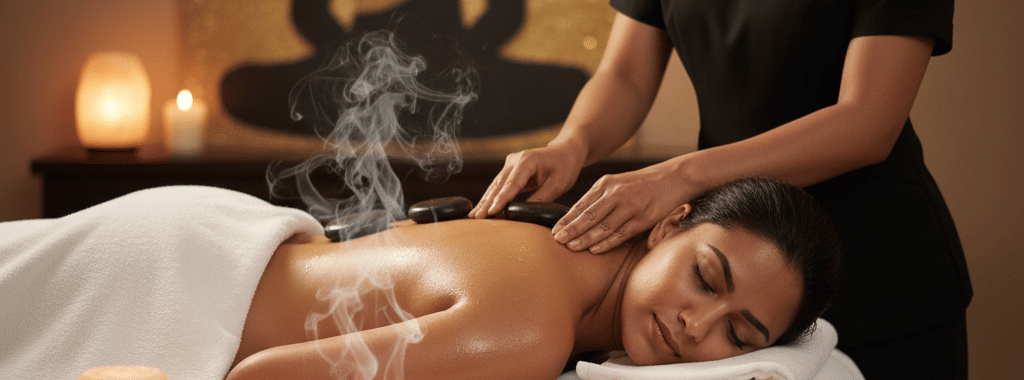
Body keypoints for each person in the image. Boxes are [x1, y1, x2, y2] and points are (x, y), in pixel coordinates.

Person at [469, 1, 972, 379]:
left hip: (880, 275)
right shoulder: (692, 312)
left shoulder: (689, 193)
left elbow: (867, 123)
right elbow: (623, 73)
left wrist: (682, 176)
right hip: (724, 250)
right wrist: (571, 145)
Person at [226, 177, 840, 379]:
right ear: (666, 227)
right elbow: (257, 378)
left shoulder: (555, 252)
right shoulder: (535, 328)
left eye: (738, 337)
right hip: (195, 281)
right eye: (706, 279)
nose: (695, 324)